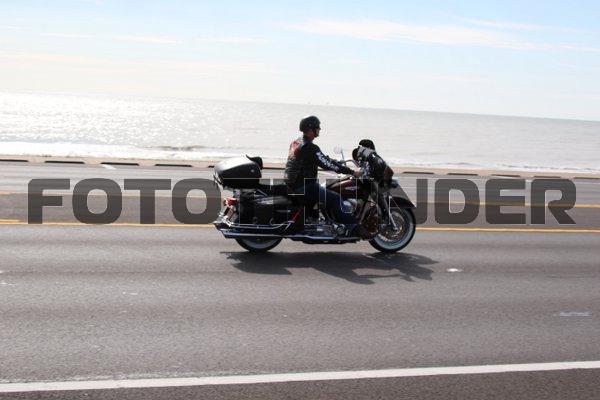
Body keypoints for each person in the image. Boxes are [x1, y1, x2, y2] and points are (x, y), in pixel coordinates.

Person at [284, 115, 361, 230]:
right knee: (336, 198)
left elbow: (320, 159)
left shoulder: (296, 142)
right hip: (304, 186)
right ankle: (352, 227)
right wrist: (352, 172)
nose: (319, 129)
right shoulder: (309, 147)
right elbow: (326, 164)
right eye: (317, 127)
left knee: (326, 191)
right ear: (310, 129)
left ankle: (316, 219)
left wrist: (332, 161)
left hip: (294, 183)